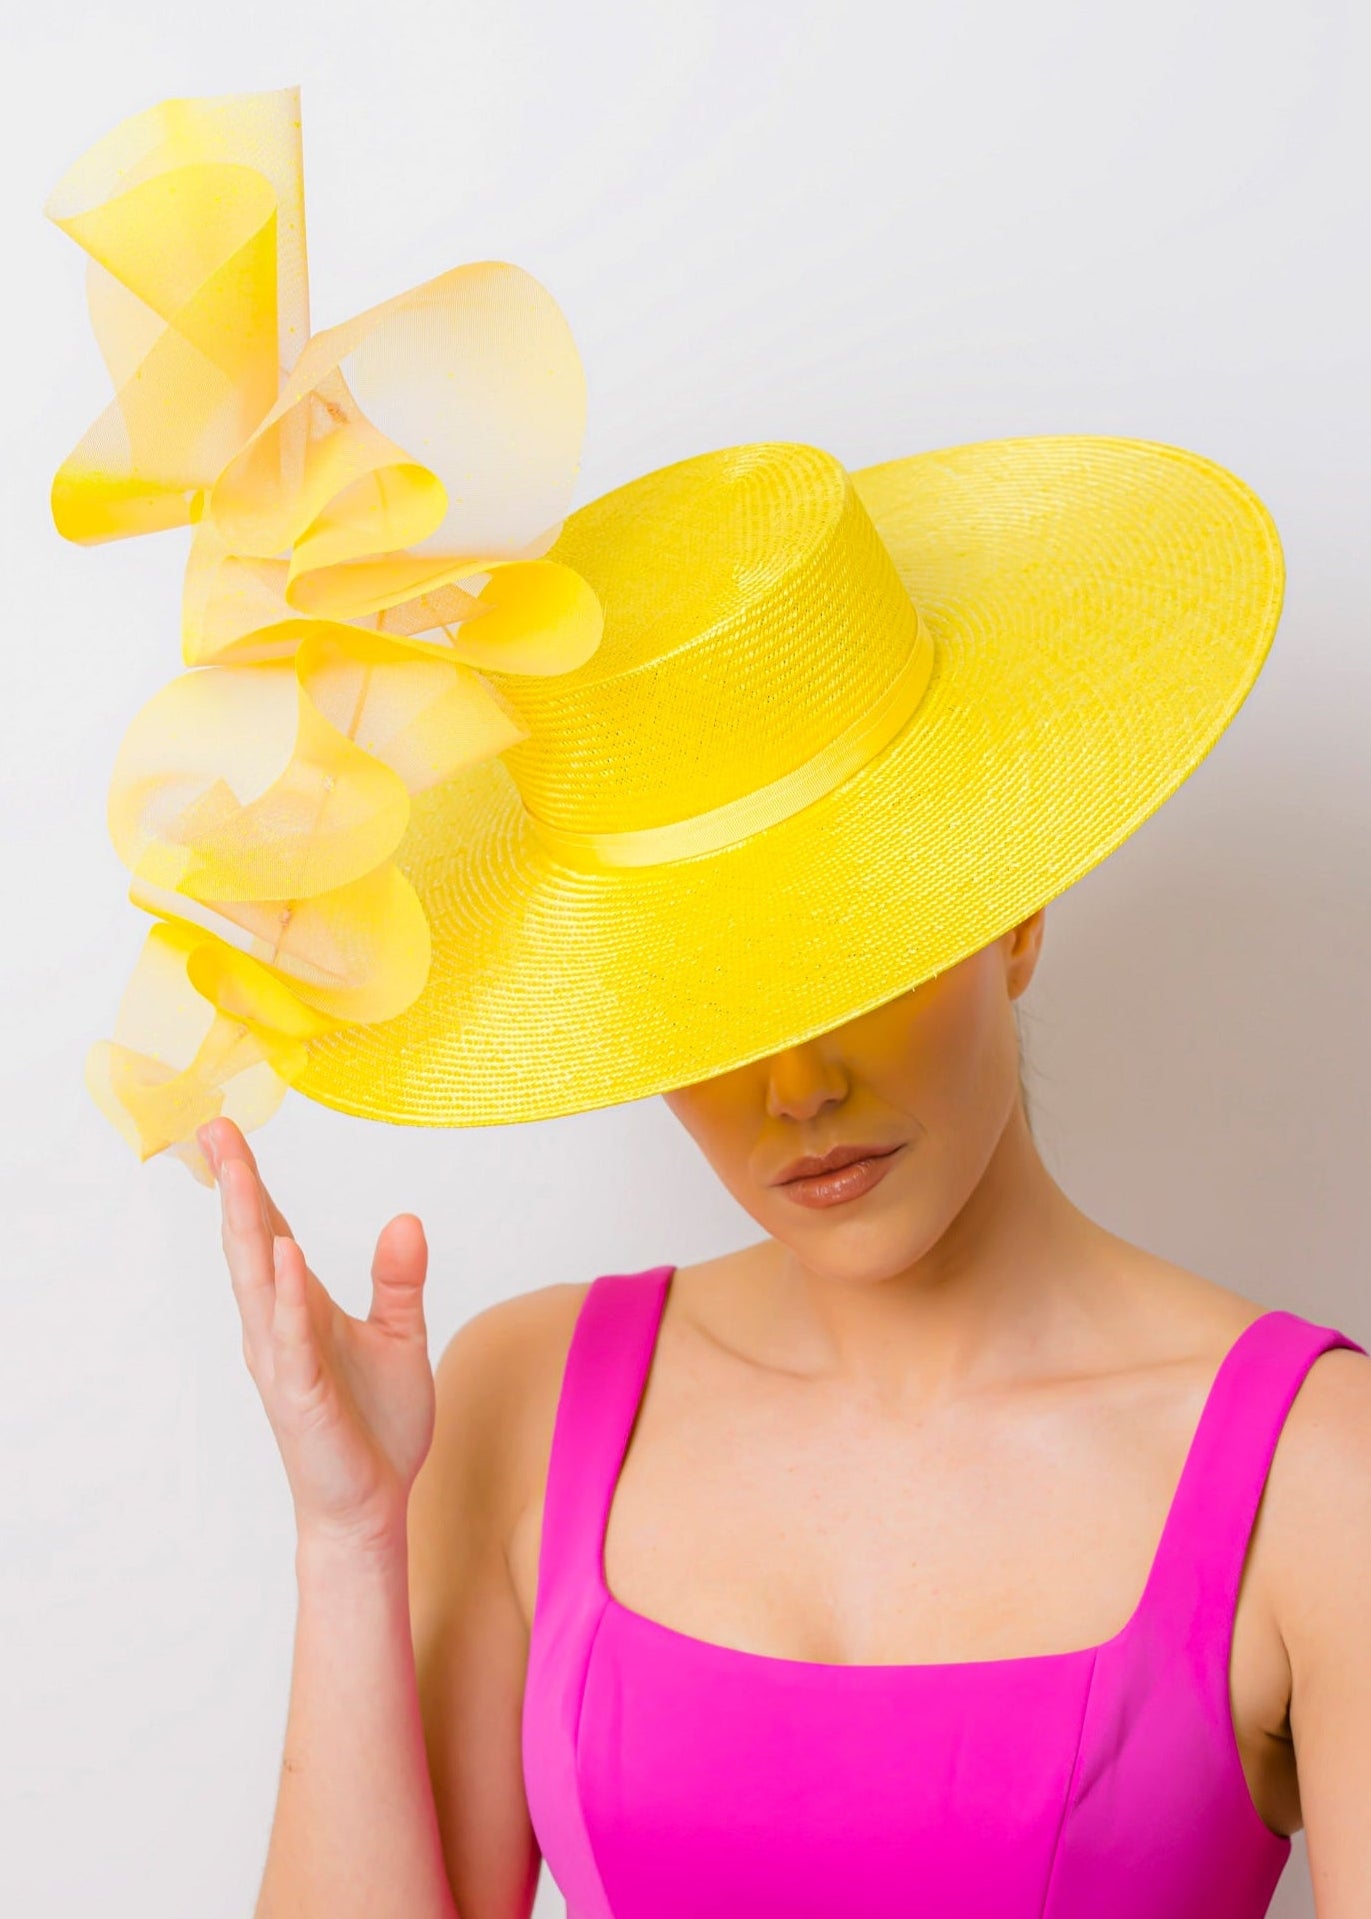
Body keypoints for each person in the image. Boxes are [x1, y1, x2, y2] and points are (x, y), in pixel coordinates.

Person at [52, 86, 1370, 1919]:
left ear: (1013, 909)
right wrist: (354, 1541)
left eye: (842, 964)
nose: (794, 1080)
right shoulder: (516, 1403)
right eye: (702, 1004)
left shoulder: (1318, 1477)